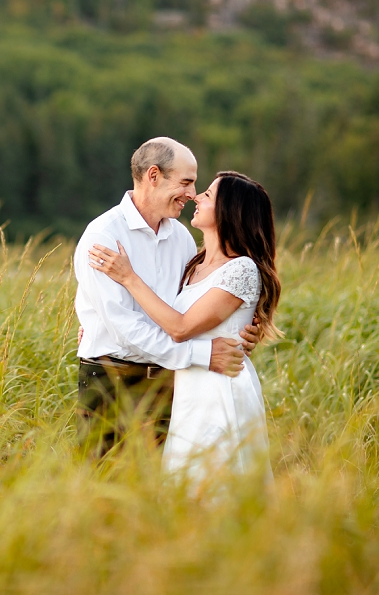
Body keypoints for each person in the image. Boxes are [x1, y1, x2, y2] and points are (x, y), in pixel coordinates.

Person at [88, 170, 279, 485]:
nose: (196, 197)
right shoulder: (195, 261)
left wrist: (128, 277)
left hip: (217, 390)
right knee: (184, 486)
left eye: (208, 195)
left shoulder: (242, 269)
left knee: (217, 483)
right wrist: (98, 327)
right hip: (188, 387)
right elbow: (161, 311)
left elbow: (180, 327)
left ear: (230, 212)